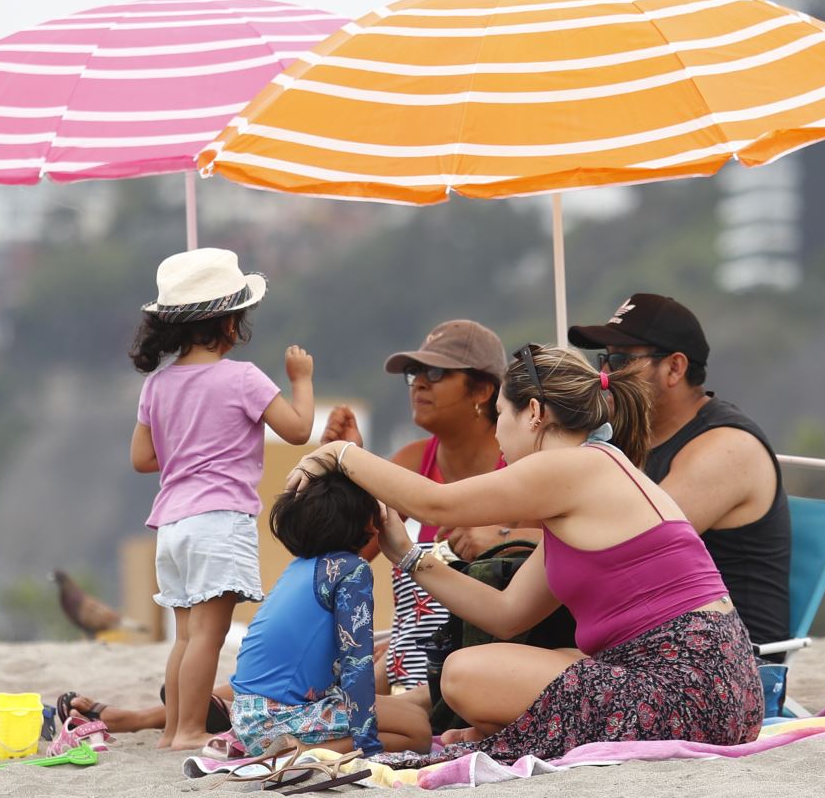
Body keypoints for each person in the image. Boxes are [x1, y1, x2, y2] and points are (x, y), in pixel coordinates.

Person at [288, 343, 764, 761]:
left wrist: (340, 456)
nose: (496, 433)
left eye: (500, 414)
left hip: (691, 691)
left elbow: (435, 500)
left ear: (534, 412)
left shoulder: (572, 466)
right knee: (521, 661)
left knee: (463, 673)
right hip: (728, 692)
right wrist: (408, 556)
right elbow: (505, 614)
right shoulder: (591, 471)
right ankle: (518, 731)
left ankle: (517, 732)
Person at [130, 248, 315, 751]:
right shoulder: (243, 378)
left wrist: (187, 446)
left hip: (172, 525)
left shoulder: (158, 383)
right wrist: (301, 381)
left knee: (186, 635)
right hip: (218, 520)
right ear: (230, 325)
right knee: (210, 635)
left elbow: (144, 458)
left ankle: (172, 728)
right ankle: (190, 728)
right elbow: (298, 432)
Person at [317, 320, 536, 696]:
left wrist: (504, 537)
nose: (419, 382)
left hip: (505, 654)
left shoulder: (522, 464)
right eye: (413, 372)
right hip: (419, 659)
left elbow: (564, 548)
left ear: (483, 389)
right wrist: (345, 477)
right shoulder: (413, 460)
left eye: (435, 372)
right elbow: (347, 556)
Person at [567, 294, 792, 649]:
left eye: (622, 359)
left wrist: (508, 537)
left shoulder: (727, 449)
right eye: (604, 359)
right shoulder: (635, 435)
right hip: (657, 640)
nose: (606, 374)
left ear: (674, 368)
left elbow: (625, 547)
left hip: (729, 664)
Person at [229, 469, 432, 757]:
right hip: (278, 718)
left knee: (409, 714)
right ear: (367, 522)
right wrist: (368, 746)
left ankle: (303, 747)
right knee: (418, 731)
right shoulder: (351, 570)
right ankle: (298, 753)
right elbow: (357, 664)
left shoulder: (302, 566)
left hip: (249, 716)